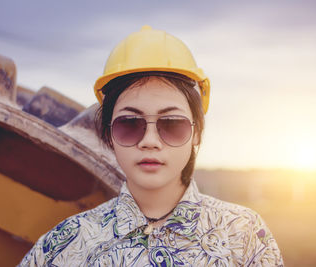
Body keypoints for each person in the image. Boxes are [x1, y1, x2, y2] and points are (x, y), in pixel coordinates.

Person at [19, 25, 284, 266]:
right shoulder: (63, 247)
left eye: (171, 124)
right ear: (109, 135)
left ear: (197, 134)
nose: (150, 141)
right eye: (130, 124)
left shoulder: (244, 235)